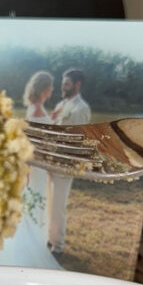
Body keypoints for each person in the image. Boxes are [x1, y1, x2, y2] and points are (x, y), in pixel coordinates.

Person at [48, 68, 91, 255]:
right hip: (49, 162)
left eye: (66, 84)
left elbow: (78, 141)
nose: (62, 87)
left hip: (64, 166)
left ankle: (58, 246)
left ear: (77, 85)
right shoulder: (61, 104)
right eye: (62, 83)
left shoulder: (81, 108)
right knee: (48, 205)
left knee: (58, 207)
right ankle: (48, 239)